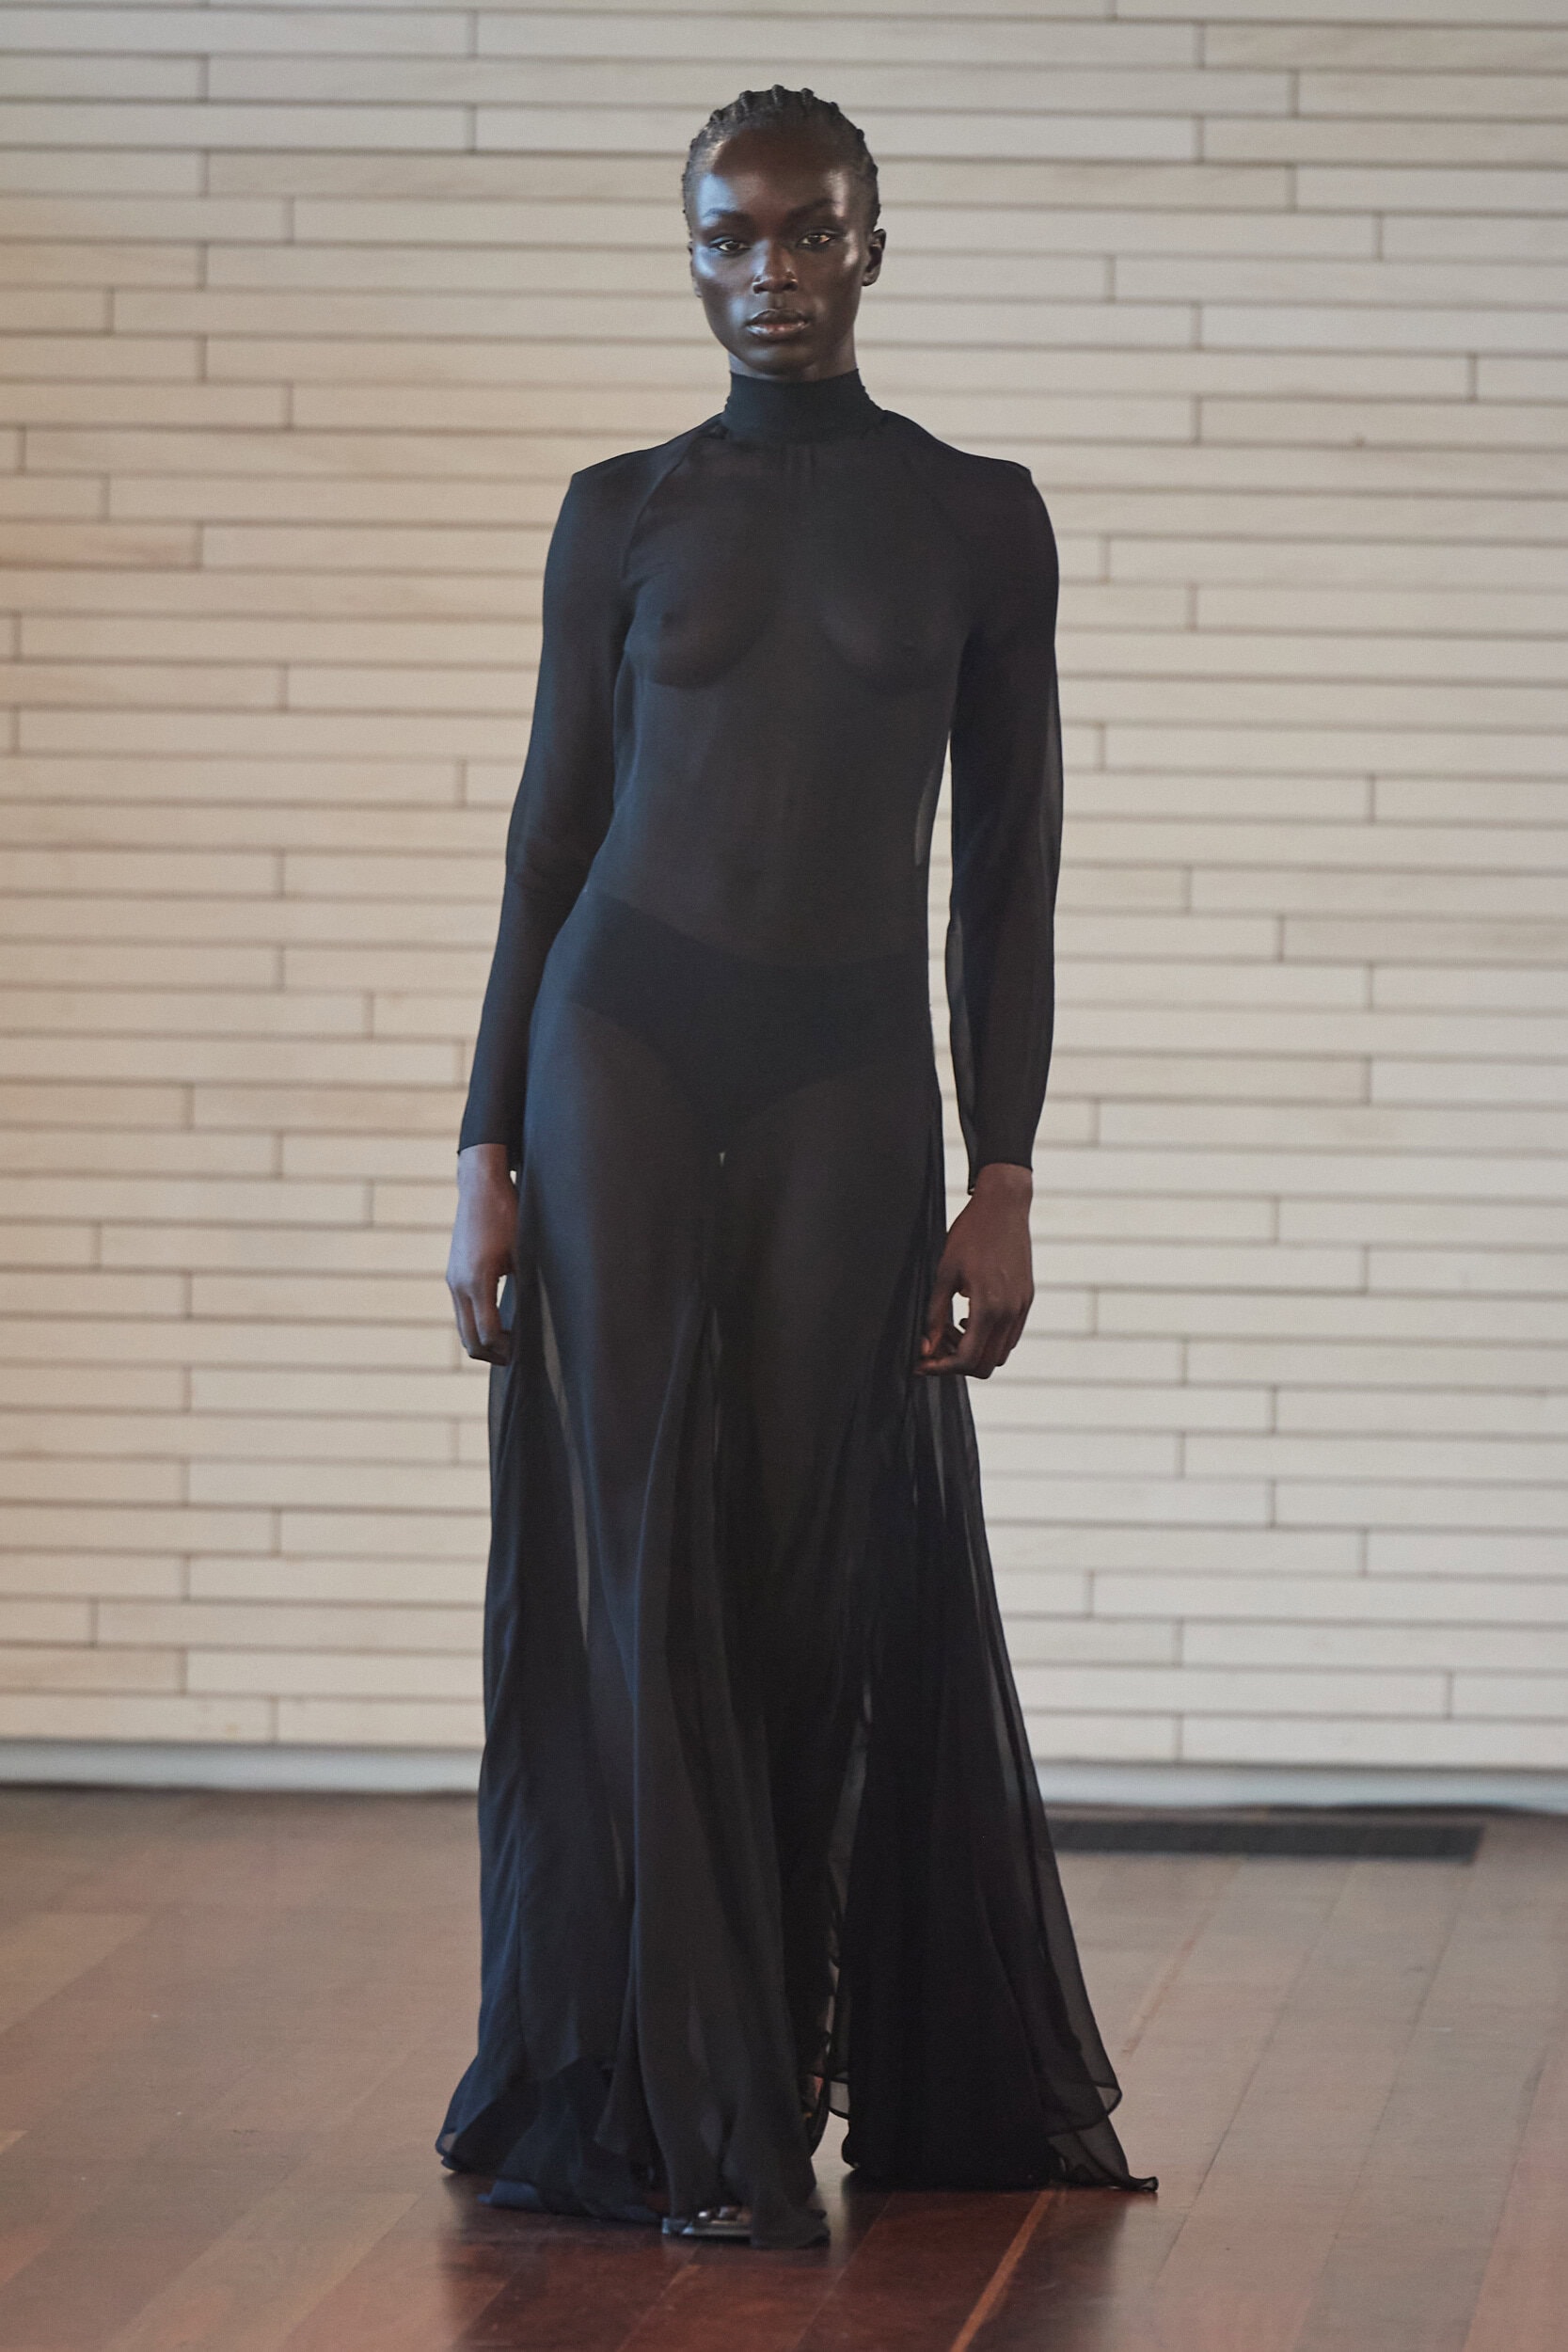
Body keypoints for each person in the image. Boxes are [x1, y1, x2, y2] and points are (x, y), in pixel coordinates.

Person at [438, 85, 1154, 2249]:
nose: (770, 273)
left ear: (873, 243)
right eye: (729, 237)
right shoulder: (619, 512)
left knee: (811, 1558)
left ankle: (769, 2042)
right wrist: (481, 1137)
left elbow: (1008, 875)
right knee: (633, 1556)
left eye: (809, 232)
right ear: (689, 253)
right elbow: (548, 838)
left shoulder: (976, 519)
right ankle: (681, 2100)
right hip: (618, 1048)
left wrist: (1005, 1165)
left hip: (849, 1070)